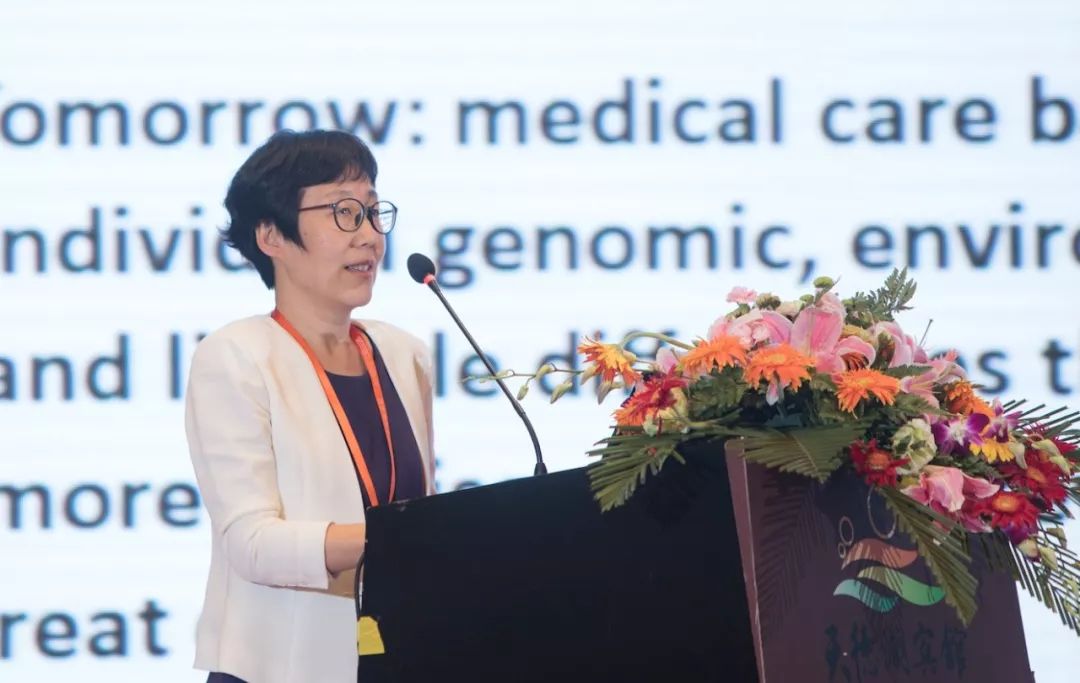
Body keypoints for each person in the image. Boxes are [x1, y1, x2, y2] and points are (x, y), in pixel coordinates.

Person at [184, 129, 436, 683]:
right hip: (278, 668)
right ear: (271, 235)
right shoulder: (236, 357)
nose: (369, 236)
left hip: (394, 658)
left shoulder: (404, 354)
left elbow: (418, 506)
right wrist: (403, 540)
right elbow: (252, 543)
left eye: (373, 212)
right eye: (343, 212)